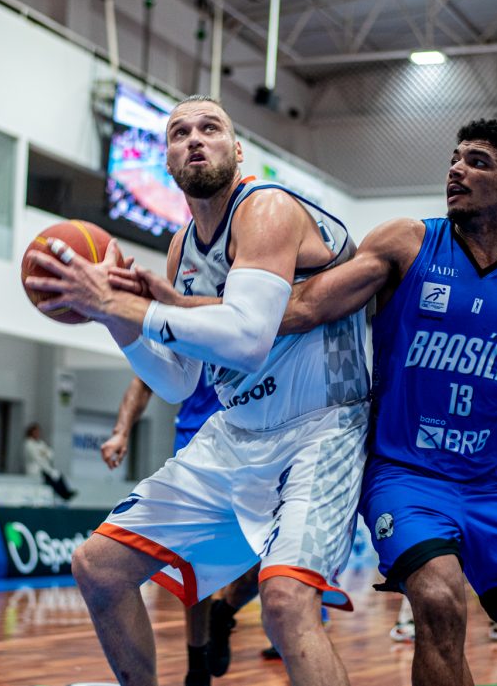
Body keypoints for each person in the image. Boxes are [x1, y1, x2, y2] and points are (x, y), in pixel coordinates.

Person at [26, 95, 369, 686]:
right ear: (167, 160)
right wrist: (114, 319)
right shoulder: (182, 247)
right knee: (98, 567)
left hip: (321, 428)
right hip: (236, 434)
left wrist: (124, 305)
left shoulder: (266, 207)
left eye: (210, 128)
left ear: (236, 150)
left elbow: (248, 337)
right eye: (179, 132)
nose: (194, 139)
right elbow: (179, 380)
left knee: (286, 604)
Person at [279, 118, 497, 686]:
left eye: (477, 162)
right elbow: (308, 305)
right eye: (455, 159)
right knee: (438, 603)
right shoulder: (407, 242)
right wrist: (192, 312)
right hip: (405, 475)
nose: (457, 170)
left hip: (495, 486)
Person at [110, 374, 260, 683]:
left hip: (255, 443)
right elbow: (144, 381)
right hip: (195, 443)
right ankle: (197, 664)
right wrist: (121, 432)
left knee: (265, 561)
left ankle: (224, 613)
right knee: (197, 562)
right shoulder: (185, 340)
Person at [23, 423, 77, 502]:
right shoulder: (29, 444)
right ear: (31, 433)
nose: (37, 434)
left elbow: (51, 454)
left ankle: (66, 492)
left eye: (38, 432)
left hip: (45, 468)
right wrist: (44, 454)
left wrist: (43, 454)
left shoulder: (41, 443)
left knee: (58, 475)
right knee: (51, 478)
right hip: (36, 469)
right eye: (35, 432)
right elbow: (37, 457)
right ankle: (63, 495)